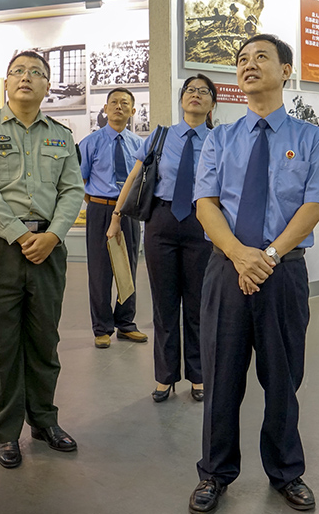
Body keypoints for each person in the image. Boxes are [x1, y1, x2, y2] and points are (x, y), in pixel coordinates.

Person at [189, 35, 319, 513]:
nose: (249, 65)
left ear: (286, 71)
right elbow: (205, 204)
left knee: (283, 378)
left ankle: (286, 472)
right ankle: (214, 472)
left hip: (283, 273)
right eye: (241, 60)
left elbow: (314, 205)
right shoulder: (220, 138)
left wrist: (268, 256)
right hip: (226, 269)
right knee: (220, 377)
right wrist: (238, 254)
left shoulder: (311, 138)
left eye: (261, 58)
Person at [0, 51, 85, 469]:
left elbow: (72, 191)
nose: (26, 77)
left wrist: (51, 235)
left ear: (48, 86)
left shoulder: (61, 135)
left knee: (44, 339)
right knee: (0, 344)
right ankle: (6, 431)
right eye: (18, 71)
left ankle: (44, 421)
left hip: (48, 247)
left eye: (36, 72)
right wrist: (20, 234)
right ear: (6, 83)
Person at [107, 74, 217, 403]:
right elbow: (135, 175)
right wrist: (116, 218)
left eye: (203, 92)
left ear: (213, 102)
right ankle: (164, 375)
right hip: (162, 222)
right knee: (164, 303)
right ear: (181, 99)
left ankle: (198, 375)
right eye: (190, 91)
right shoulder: (160, 136)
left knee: (198, 304)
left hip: (203, 223)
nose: (195, 95)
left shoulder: (218, 140)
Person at [79, 88, 147, 348]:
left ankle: (126, 324)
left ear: (132, 111)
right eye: (114, 103)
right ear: (105, 109)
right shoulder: (90, 143)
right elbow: (81, 180)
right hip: (99, 209)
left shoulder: (139, 145)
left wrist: (122, 207)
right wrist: (100, 205)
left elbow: (141, 181)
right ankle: (102, 327)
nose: (119, 107)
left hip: (128, 212)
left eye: (125, 103)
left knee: (127, 266)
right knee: (99, 270)